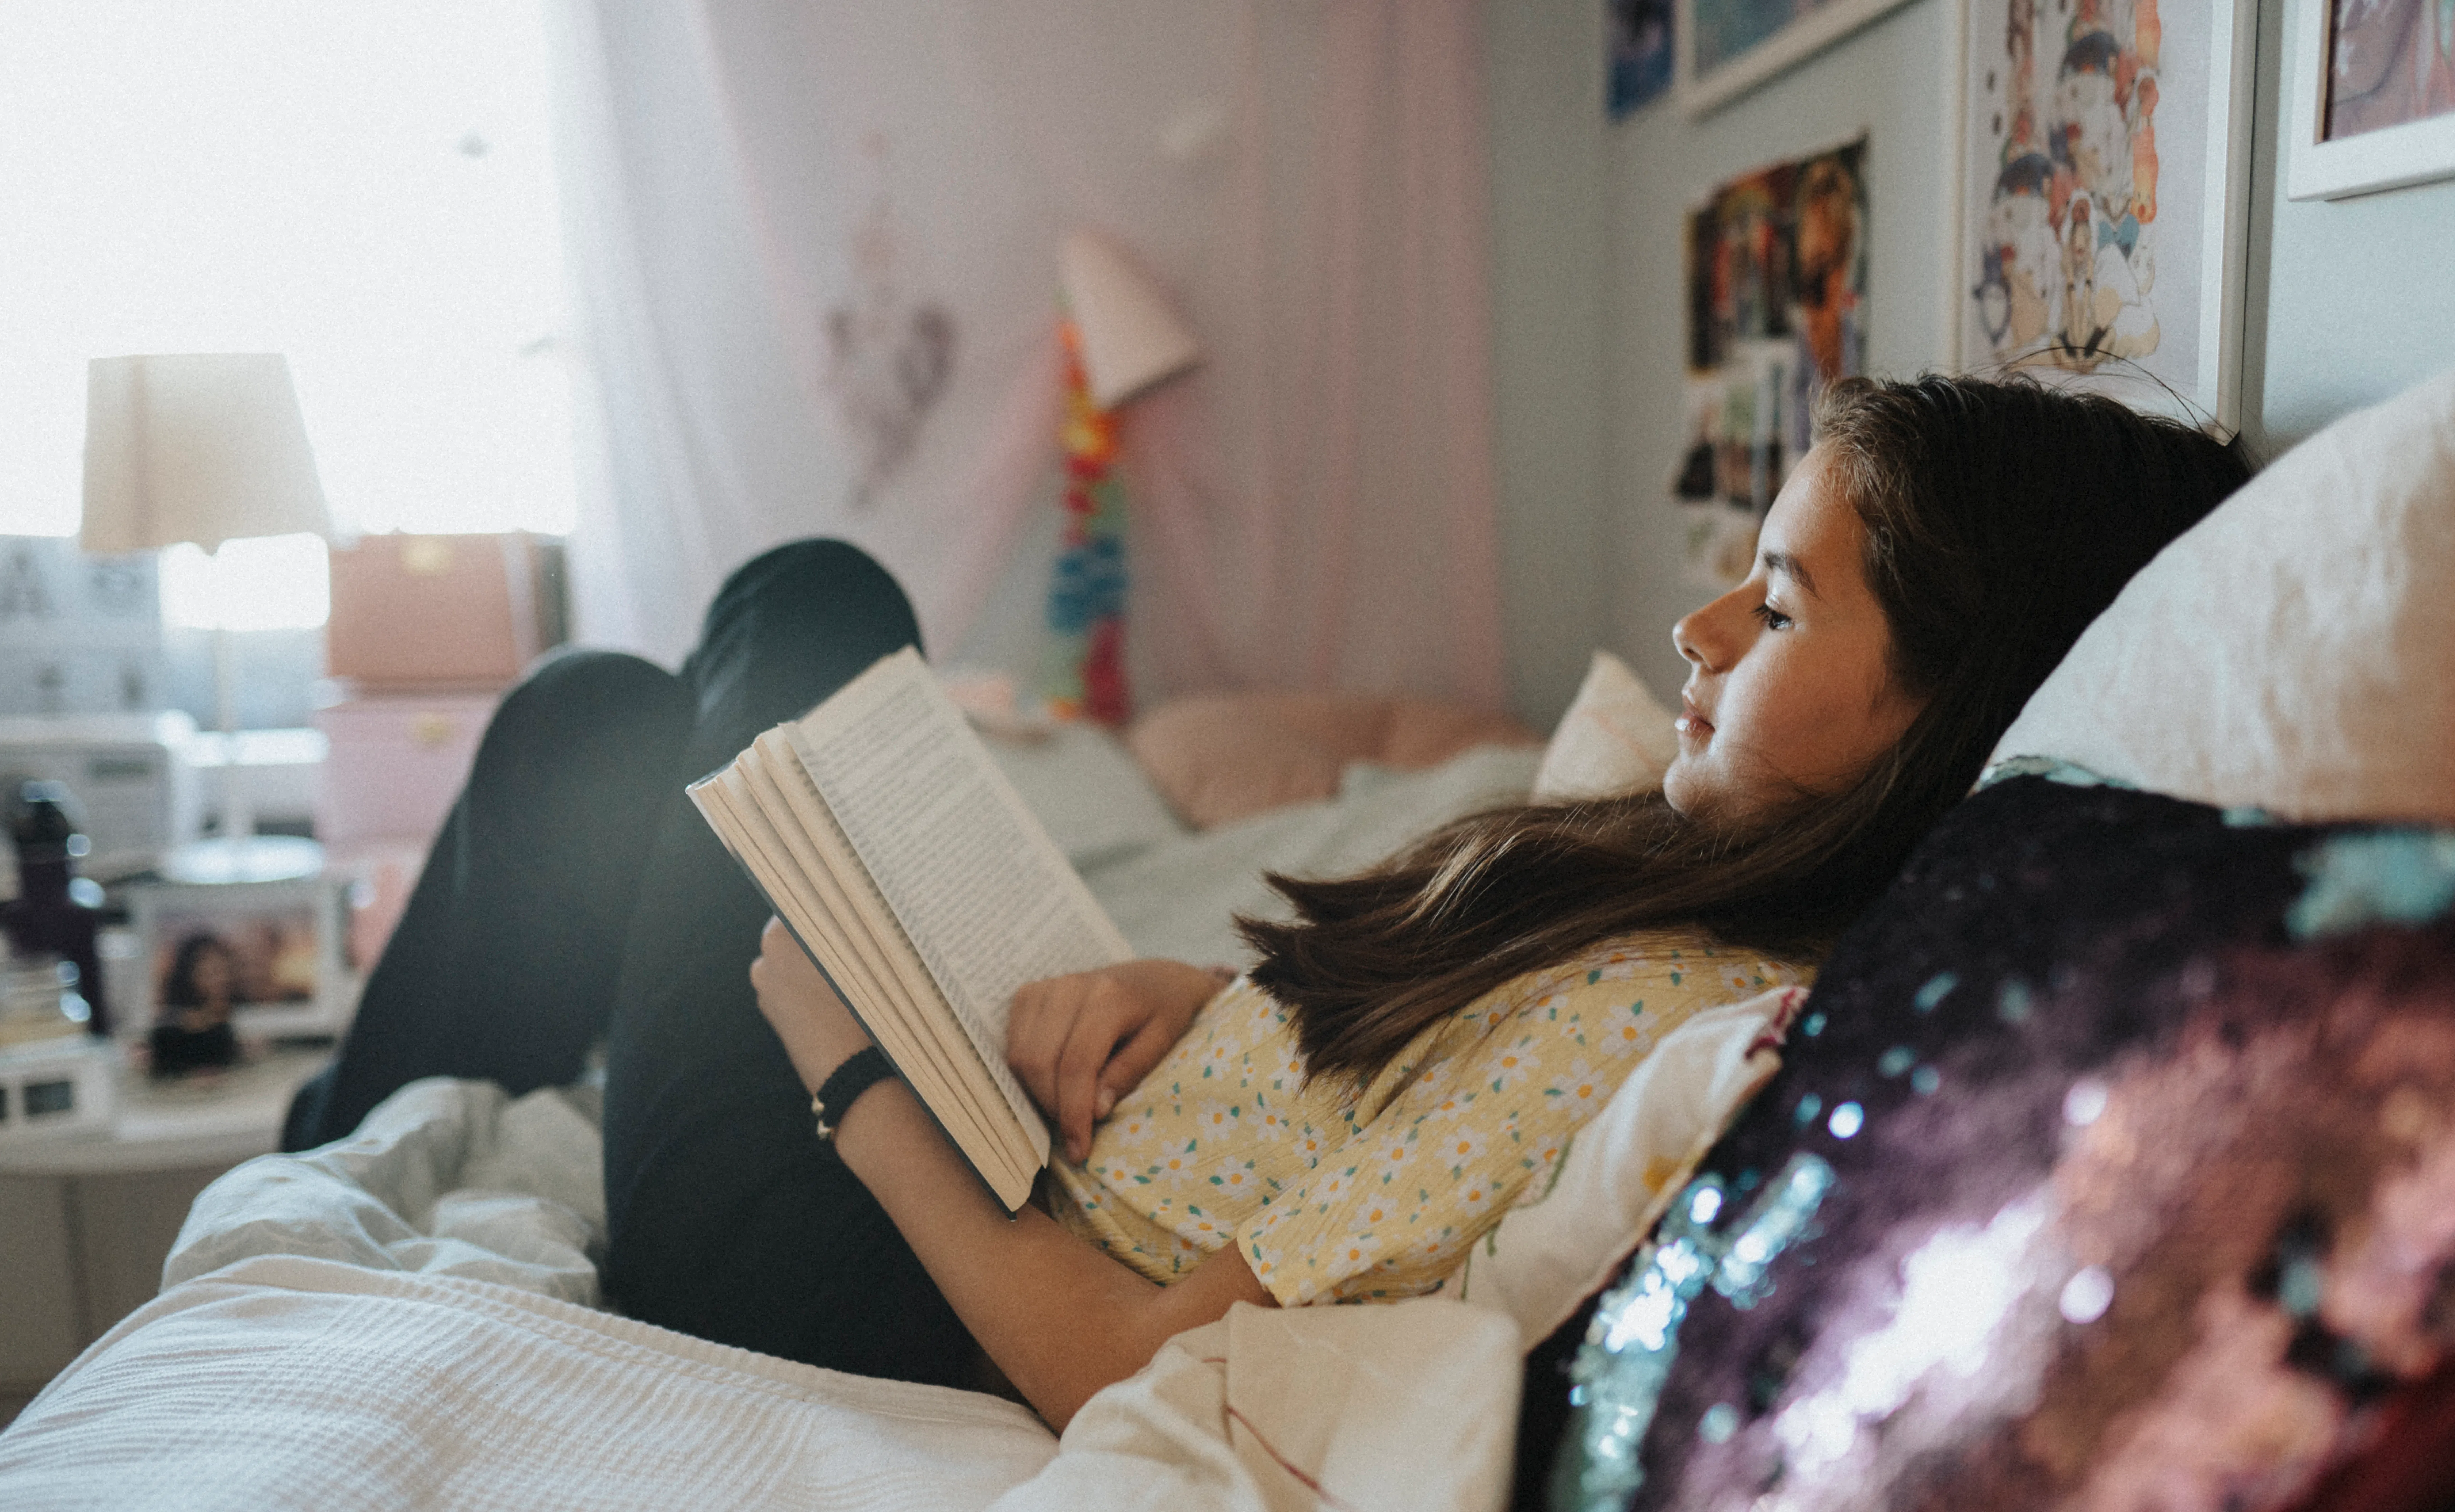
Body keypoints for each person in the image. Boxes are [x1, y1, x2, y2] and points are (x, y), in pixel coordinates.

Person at [285, 374, 2253, 1430]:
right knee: (614, 709)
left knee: (737, 636)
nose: (1697, 620)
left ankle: (342, 1120)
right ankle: (360, 1103)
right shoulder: (1668, 887)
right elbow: (1373, 1106)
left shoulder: (1666, 1011)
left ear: (1958, 702)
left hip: (847, 1267)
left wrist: (849, 1069)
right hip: (1030, 1138)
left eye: (1786, 597)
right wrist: (1195, 1004)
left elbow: (1133, 1365)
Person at [150, 930, 242, 1075]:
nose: (221, 980)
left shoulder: (236, 1016)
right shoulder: (170, 1028)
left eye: (224, 970)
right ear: (189, 975)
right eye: (211, 973)